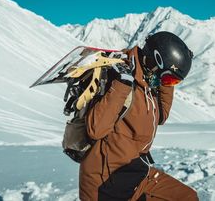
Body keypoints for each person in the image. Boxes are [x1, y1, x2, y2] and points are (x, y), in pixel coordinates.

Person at [79, 31, 199, 201]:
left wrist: (166, 81)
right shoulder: (120, 76)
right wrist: (122, 84)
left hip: (135, 171)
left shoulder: (148, 81)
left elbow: (161, 115)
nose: (168, 84)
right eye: (169, 80)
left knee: (187, 197)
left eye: (173, 82)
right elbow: (95, 129)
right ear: (155, 61)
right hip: (107, 182)